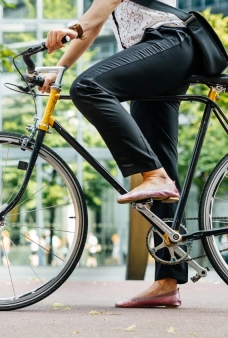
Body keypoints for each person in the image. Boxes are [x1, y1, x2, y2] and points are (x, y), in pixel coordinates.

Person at [40, 0, 199, 307]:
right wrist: (60, 68)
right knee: (160, 162)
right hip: (157, 56)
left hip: (169, 43)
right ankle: (166, 282)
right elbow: (97, 22)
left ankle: (155, 176)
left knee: (87, 87)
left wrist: (73, 29)